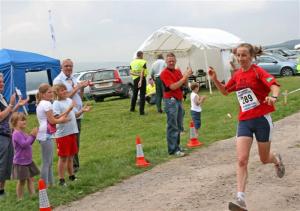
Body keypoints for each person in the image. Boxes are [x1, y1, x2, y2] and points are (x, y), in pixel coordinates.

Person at [208, 43, 285, 211]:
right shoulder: (236, 75)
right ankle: (240, 199)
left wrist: (273, 97)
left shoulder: (258, 71)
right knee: (242, 160)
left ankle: (276, 159)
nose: (241, 58)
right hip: (244, 121)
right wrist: (214, 79)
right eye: (238, 55)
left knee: (264, 159)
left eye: (244, 55)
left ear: (251, 56)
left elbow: (274, 85)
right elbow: (225, 91)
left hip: (262, 120)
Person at [53, 59, 89, 172]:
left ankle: (75, 165)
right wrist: (76, 88)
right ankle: (73, 167)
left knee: (75, 141)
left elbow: (79, 96)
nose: (69, 68)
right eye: (66, 66)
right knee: (70, 141)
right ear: (61, 67)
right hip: (67, 115)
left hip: (76, 113)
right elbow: (64, 96)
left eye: (71, 66)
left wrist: (82, 88)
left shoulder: (73, 78)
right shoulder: (58, 80)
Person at [53, 83, 91, 186]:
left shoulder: (69, 101)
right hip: (62, 134)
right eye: (61, 90)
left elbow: (75, 114)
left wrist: (83, 110)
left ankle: (71, 176)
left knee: (71, 156)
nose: (64, 91)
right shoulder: (56, 103)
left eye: (65, 90)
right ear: (57, 93)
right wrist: (69, 109)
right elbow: (57, 118)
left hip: (72, 132)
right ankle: (61, 180)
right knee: (63, 157)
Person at [36, 83, 70, 186]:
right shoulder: (47, 104)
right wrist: (62, 121)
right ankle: (44, 185)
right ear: (42, 94)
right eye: (48, 92)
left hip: (44, 133)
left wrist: (62, 116)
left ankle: (51, 184)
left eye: (51, 91)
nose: (51, 94)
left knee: (49, 161)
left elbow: (52, 119)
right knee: (46, 162)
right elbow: (52, 121)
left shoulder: (42, 103)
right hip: (46, 134)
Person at [0, 73, 28, 198]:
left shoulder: (1, 97)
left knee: (6, 162)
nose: (2, 84)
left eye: (2, 81)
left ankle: (2, 190)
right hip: (1, 135)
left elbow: (8, 114)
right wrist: (11, 104)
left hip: (7, 134)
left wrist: (18, 105)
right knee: (2, 162)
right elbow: (1, 117)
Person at [160, 52, 193, 156]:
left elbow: (184, 84)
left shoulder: (177, 71)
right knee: (172, 125)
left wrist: (187, 75)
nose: (171, 62)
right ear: (166, 61)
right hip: (170, 100)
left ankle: (177, 147)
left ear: (175, 61)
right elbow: (173, 87)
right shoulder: (164, 73)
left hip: (178, 100)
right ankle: (173, 149)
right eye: (169, 61)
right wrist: (184, 77)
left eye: (173, 61)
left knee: (178, 125)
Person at [10, 112, 40, 200]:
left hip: (28, 160)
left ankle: (33, 196)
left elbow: (29, 143)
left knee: (30, 179)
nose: (24, 121)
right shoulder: (16, 134)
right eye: (22, 120)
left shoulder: (22, 132)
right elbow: (24, 144)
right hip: (20, 162)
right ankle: (20, 199)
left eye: (24, 119)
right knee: (22, 181)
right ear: (15, 122)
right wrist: (32, 135)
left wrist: (33, 136)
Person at [130, 51, 147, 115]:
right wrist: (140, 79)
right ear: (141, 55)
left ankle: (132, 108)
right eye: (143, 55)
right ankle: (141, 112)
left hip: (135, 79)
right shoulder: (143, 62)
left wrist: (137, 74)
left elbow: (131, 72)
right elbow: (142, 72)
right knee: (142, 95)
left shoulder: (132, 62)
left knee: (135, 94)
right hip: (141, 79)